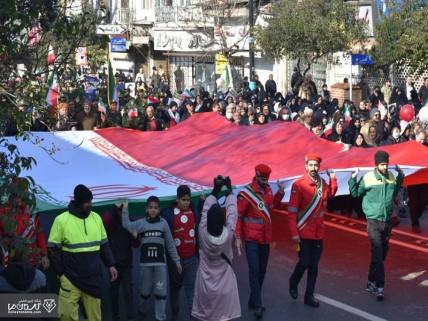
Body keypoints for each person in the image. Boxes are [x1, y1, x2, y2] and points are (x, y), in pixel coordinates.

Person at [48, 184, 118, 321]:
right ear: (78, 202)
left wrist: (111, 265)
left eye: (90, 201)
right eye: (87, 202)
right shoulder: (61, 220)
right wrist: (61, 275)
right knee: (66, 316)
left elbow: (104, 245)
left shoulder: (96, 218)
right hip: (70, 279)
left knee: (95, 318)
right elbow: (52, 250)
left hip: (93, 279)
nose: (90, 205)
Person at [348, 151, 404, 301]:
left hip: (387, 223)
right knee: (378, 253)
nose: (385, 167)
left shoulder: (391, 177)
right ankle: (380, 287)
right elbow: (354, 193)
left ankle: (370, 281)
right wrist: (353, 178)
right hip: (373, 221)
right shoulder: (368, 177)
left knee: (381, 255)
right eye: (382, 164)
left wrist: (401, 174)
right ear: (376, 164)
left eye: (386, 164)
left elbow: (396, 188)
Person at [235, 164, 285, 319]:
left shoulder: (269, 190)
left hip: (265, 239)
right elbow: (239, 215)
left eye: (266, 179)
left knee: (262, 271)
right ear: (256, 176)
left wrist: (280, 194)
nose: (265, 181)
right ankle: (258, 304)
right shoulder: (247, 193)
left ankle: (253, 299)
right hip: (251, 239)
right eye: (262, 178)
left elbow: (272, 207)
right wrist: (237, 236)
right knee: (254, 270)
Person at [288, 153, 337, 308]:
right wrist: (294, 234)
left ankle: (309, 296)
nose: (314, 168)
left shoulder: (322, 183)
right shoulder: (298, 185)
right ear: (306, 166)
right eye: (311, 165)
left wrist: (333, 179)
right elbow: (292, 212)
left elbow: (331, 195)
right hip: (303, 232)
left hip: (318, 232)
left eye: (316, 165)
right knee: (304, 262)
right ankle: (293, 281)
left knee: (314, 267)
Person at [121, 196, 182, 321]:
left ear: (159, 209)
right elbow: (126, 224)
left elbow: (170, 244)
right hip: (145, 266)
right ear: (146, 209)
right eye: (150, 208)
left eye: (155, 208)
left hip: (160, 265)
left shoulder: (163, 223)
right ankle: (142, 314)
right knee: (144, 294)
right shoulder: (141, 223)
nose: (153, 210)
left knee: (161, 294)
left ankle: (161, 317)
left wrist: (176, 261)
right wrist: (125, 209)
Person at [192, 177, 241, 321]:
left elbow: (205, 211)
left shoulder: (202, 232)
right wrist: (229, 191)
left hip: (205, 285)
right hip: (225, 286)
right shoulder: (228, 234)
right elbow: (233, 213)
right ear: (222, 221)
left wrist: (215, 190)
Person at [161, 185, 201, 321]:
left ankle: (193, 317)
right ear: (177, 199)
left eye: (188, 200)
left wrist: (201, 201)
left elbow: (202, 215)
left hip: (191, 259)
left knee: (191, 289)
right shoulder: (169, 213)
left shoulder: (193, 210)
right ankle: (175, 315)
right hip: (175, 261)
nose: (186, 203)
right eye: (183, 200)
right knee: (175, 289)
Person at [102, 203, 140, 321]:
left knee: (128, 293)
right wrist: (115, 207)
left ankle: (130, 318)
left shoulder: (130, 222)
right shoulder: (110, 222)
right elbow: (103, 221)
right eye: (119, 209)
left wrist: (135, 237)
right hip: (113, 264)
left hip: (126, 264)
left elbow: (136, 244)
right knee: (114, 294)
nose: (121, 211)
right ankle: (115, 317)